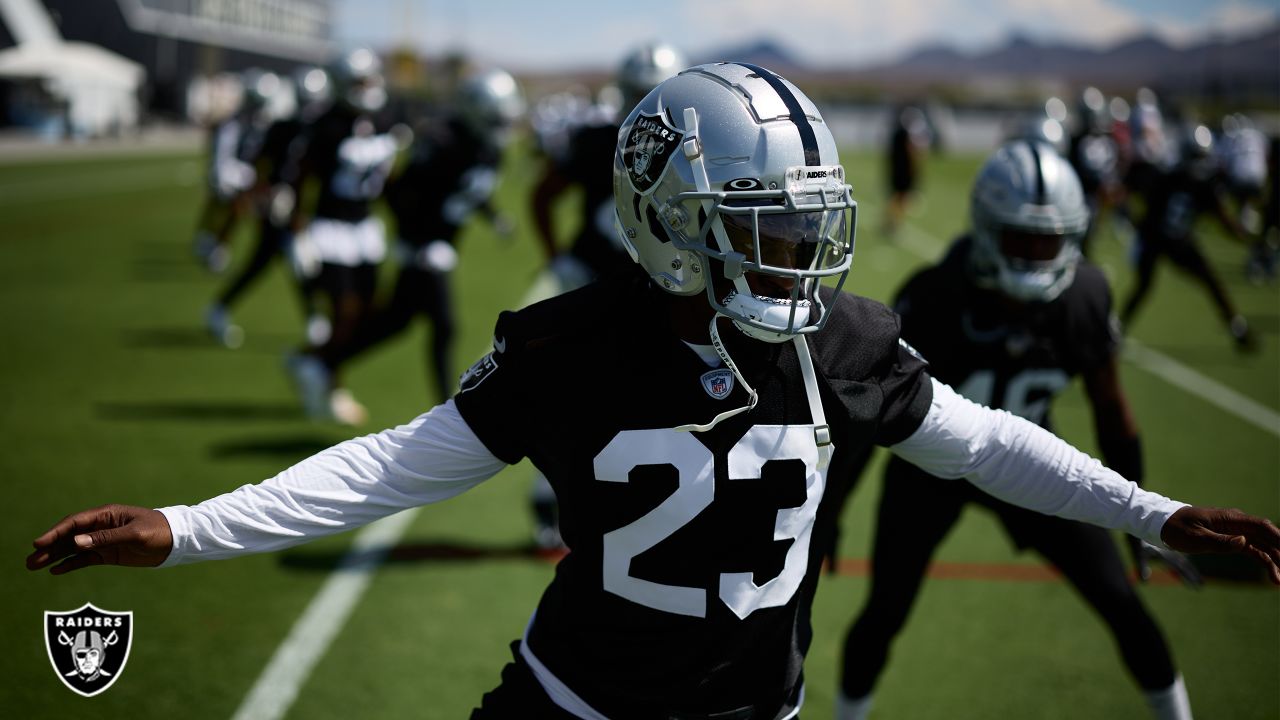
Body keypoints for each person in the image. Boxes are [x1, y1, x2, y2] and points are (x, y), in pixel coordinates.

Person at [26, 64, 1280, 720]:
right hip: (571, 703)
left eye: (803, 230)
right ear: (671, 223)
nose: (800, 261)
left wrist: (1153, 516)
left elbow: (987, 444)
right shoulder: (570, 347)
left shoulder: (835, 339)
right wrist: (186, 530)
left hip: (751, 711)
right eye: (764, 230)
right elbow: (383, 466)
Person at [831, 141, 1200, 720]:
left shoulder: (1083, 296)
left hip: (1033, 464)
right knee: (884, 614)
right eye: (1019, 240)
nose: (1033, 259)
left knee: (1121, 602)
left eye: (1047, 242)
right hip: (930, 472)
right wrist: (833, 509)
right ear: (984, 229)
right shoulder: (935, 295)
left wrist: (1140, 520)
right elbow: (872, 414)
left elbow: (1111, 410)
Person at [526, 42, 685, 550]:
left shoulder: (691, 145)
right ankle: (548, 499)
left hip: (655, 288)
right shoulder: (599, 138)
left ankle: (643, 501)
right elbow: (542, 193)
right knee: (572, 389)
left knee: (653, 394)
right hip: (594, 284)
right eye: (642, 93)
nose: (651, 106)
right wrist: (556, 257)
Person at [290, 69, 523, 409]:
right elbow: (400, 193)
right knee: (444, 326)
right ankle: (451, 408)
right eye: (495, 117)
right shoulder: (443, 142)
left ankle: (321, 360)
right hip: (423, 246)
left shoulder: (488, 149)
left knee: (394, 321)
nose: (502, 125)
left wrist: (493, 217)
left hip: (438, 245)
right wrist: (417, 241)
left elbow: (468, 189)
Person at [285, 48, 403, 424]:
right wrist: (297, 228)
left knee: (367, 313)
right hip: (331, 228)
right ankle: (333, 386)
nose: (367, 87)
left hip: (367, 227)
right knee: (343, 311)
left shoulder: (385, 118)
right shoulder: (327, 125)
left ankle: (309, 358)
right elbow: (300, 175)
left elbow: (387, 178)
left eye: (370, 79)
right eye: (359, 81)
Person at [206, 66, 333, 349]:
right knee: (295, 266)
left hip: (299, 213)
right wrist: (269, 194)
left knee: (276, 264)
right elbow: (261, 167)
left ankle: (220, 309)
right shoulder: (284, 128)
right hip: (279, 211)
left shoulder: (324, 130)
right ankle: (317, 323)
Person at [1119, 124, 1256, 351]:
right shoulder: (1205, 184)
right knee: (1211, 283)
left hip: (1154, 237)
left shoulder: (1171, 175)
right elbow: (1224, 222)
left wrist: (1136, 221)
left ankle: (1117, 330)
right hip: (1176, 240)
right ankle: (1237, 327)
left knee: (1143, 287)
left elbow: (1145, 198)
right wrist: (1248, 238)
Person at [191, 68, 280, 274]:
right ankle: (213, 242)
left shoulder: (263, 123)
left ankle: (221, 244)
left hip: (249, 175)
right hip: (233, 175)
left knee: (244, 213)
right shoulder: (234, 123)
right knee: (226, 210)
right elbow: (224, 153)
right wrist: (224, 175)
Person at [883, 104, 929, 240]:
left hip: (896, 170)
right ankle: (893, 224)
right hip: (903, 171)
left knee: (897, 197)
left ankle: (891, 222)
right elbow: (913, 151)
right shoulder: (905, 135)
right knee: (900, 197)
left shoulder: (897, 133)